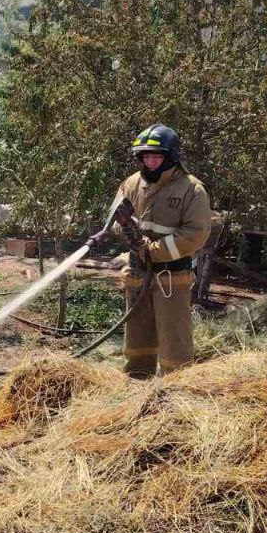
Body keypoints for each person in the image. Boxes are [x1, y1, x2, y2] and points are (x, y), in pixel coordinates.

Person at [109, 124, 212, 378]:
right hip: (137, 273)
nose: (151, 162)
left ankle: (175, 393)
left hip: (171, 277)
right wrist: (129, 234)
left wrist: (152, 250)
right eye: (146, 157)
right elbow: (113, 221)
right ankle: (136, 383)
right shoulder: (131, 184)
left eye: (156, 157)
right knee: (137, 337)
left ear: (171, 157)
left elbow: (195, 234)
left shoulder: (191, 189)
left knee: (174, 341)